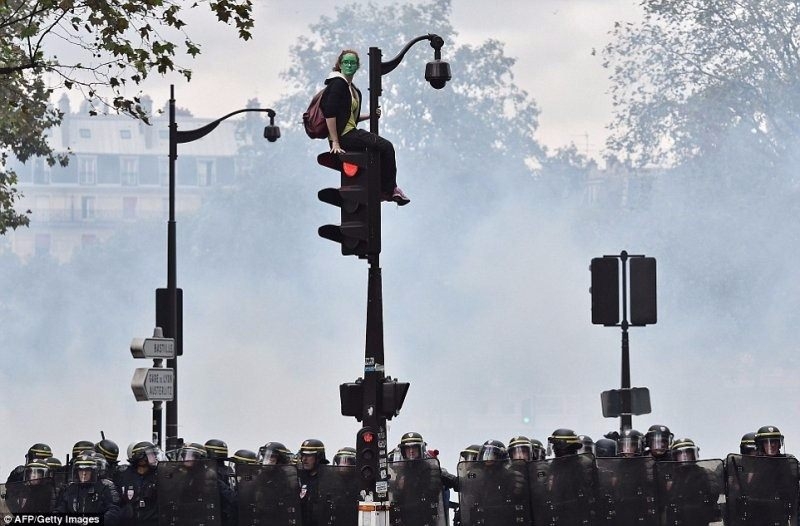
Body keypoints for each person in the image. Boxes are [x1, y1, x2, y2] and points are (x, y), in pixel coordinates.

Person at [321, 49, 410, 206]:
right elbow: (329, 112)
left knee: (376, 151)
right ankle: (390, 190)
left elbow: (350, 117)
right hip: (345, 136)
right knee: (386, 146)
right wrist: (335, 141)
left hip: (349, 133)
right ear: (339, 65)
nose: (349, 65)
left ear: (357, 66)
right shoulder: (337, 83)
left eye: (352, 62)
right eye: (346, 62)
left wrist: (370, 116)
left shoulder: (351, 88)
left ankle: (375, 188)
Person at [55, 457, 120, 524]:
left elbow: (114, 510)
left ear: (93, 472)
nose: (84, 474)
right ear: (76, 472)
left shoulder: (103, 487)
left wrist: (98, 520)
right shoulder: (71, 488)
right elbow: (62, 508)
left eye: (87, 470)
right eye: (81, 470)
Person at [116, 441, 160, 526]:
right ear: (140, 458)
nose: (154, 458)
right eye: (150, 455)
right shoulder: (124, 475)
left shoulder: (158, 475)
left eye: (154, 455)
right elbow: (116, 503)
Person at [298, 438, 328, 526]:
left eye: (309, 456)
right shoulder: (299, 478)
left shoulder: (329, 479)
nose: (304, 459)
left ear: (319, 457)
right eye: (303, 455)